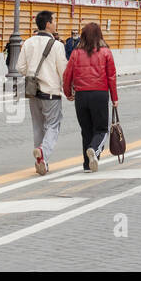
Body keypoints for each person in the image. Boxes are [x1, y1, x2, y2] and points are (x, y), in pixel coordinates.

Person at [62, 22, 118, 174]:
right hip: (99, 94)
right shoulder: (106, 52)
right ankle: (94, 150)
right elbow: (111, 76)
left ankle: (87, 165)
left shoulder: (75, 53)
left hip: (81, 96)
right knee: (101, 130)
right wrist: (114, 98)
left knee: (86, 130)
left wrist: (68, 93)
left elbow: (67, 75)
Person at [17, 11, 69, 176]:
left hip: (33, 92)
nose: (55, 24)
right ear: (47, 24)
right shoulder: (57, 45)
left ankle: (42, 161)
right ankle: (43, 152)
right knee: (53, 125)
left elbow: (20, 68)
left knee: (38, 127)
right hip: (50, 91)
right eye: (53, 21)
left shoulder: (28, 42)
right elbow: (63, 70)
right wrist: (68, 88)